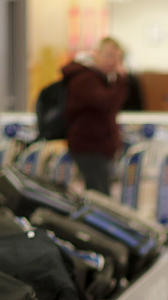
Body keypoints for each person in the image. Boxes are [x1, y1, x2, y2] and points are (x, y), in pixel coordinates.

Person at [62, 37, 129, 195]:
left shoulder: (100, 78)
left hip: (99, 146)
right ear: (96, 53)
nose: (113, 62)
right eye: (109, 55)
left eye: (117, 57)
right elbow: (107, 104)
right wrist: (120, 80)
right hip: (89, 146)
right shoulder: (85, 78)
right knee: (98, 195)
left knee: (101, 192)